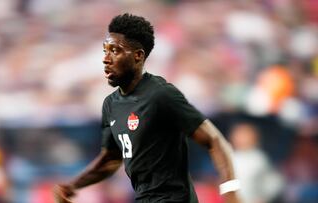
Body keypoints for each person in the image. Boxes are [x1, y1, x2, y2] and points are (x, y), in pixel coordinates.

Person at [54, 13, 241, 203]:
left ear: (138, 56)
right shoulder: (111, 104)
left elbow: (214, 140)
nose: (106, 59)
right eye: (106, 50)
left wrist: (231, 192)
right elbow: (110, 159)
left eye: (115, 51)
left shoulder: (161, 95)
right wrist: (74, 185)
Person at [229, 123, 284, 203]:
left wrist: (264, 197)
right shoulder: (231, 157)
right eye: (238, 135)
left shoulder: (259, 158)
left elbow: (274, 182)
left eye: (244, 135)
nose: (240, 138)